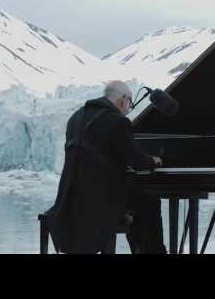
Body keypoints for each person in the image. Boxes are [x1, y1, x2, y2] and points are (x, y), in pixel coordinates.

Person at [46, 80, 166, 254]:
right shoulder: (117, 121)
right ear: (124, 99)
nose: (128, 108)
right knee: (149, 202)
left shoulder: (75, 118)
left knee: (137, 200)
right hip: (102, 201)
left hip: (72, 196)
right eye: (130, 103)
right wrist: (152, 160)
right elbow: (138, 162)